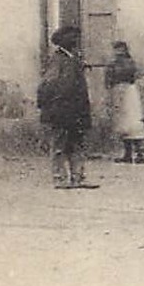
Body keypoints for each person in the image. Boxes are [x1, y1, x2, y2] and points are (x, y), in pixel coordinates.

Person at [37, 26, 96, 189]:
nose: (76, 40)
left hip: (76, 109)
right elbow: (49, 84)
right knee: (59, 145)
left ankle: (78, 178)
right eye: (72, 38)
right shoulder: (57, 60)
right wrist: (51, 106)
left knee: (77, 144)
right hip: (62, 109)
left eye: (77, 37)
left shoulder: (74, 59)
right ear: (63, 41)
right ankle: (59, 178)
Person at [104, 41, 144, 164]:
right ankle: (127, 153)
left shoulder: (129, 63)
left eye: (120, 49)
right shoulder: (112, 64)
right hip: (117, 92)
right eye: (116, 49)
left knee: (133, 121)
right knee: (122, 124)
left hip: (129, 92)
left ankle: (139, 152)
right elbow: (108, 80)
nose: (118, 52)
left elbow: (133, 75)